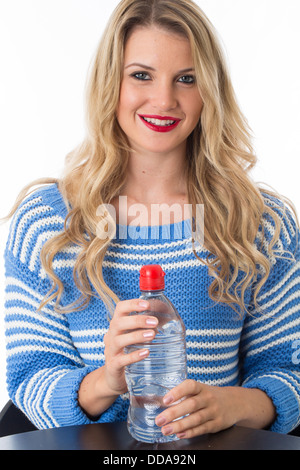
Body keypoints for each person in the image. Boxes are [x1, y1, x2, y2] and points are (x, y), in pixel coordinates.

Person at [3, 0, 300, 439]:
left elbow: (288, 370)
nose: (164, 100)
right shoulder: (48, 222)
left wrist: (231, 403)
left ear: (209, 92)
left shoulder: (260, 223)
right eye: (141, 75)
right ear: (111, 84)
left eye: (187, 79)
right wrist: (107, 380)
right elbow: (31, 376)